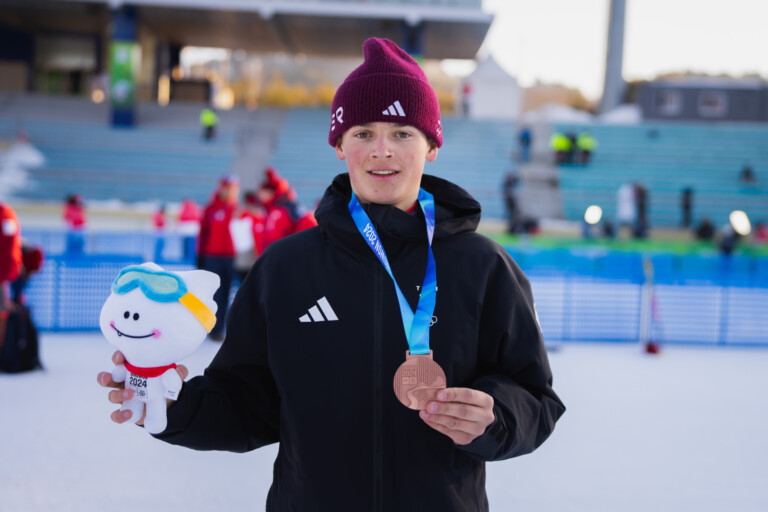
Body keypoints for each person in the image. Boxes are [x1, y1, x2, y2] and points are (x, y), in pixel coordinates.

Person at [98, 38, 565, 511]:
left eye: (403, 133)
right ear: (339, 145)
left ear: (432, 145)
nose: (382, 151)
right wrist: (176, 407)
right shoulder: (284, 268)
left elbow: (535, 398)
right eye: (363, 133)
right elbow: (247, 403)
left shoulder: (485, 267)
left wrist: (495, 415)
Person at [196, 174, 240, 341]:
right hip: (212, 257)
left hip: (232, 258)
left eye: (234, 188)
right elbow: (203, 233)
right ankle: (212, 329)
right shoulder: (211, 208)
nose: (230, 191)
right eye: (228, 187)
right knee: (213, 294)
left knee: (231, 293)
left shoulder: (238, 208)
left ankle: (223, 328)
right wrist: (200, 256)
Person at [257, 166, 317, 248]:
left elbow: (274, 241)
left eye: (262, 192)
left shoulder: (277, 212)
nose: (260, 195)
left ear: (270, 193)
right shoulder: (285, 204)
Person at [0, 202, 22, 352]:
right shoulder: (7, 212)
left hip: (4, 273)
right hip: (7, 272)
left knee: (3, 312)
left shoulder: (5, 213)